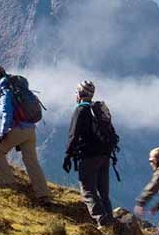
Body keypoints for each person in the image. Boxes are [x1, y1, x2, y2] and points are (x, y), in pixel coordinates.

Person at [0, 66, 51, 201]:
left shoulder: (5, 91)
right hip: (31, 129)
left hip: (19, 128)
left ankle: (8, 183)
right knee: (31, 161)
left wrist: (3, 133)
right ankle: (43, 193)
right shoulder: (19, 87)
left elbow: (6, 112)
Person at [63, 80, 116, 230]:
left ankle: (103, 223)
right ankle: (110, 223)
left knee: (87, 190)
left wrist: (68, 155)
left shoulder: (80, 110)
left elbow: (73, 135)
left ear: (79, 94)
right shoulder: (98, 110)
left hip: (89, 156)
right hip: (105, 155)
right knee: (103, 193)